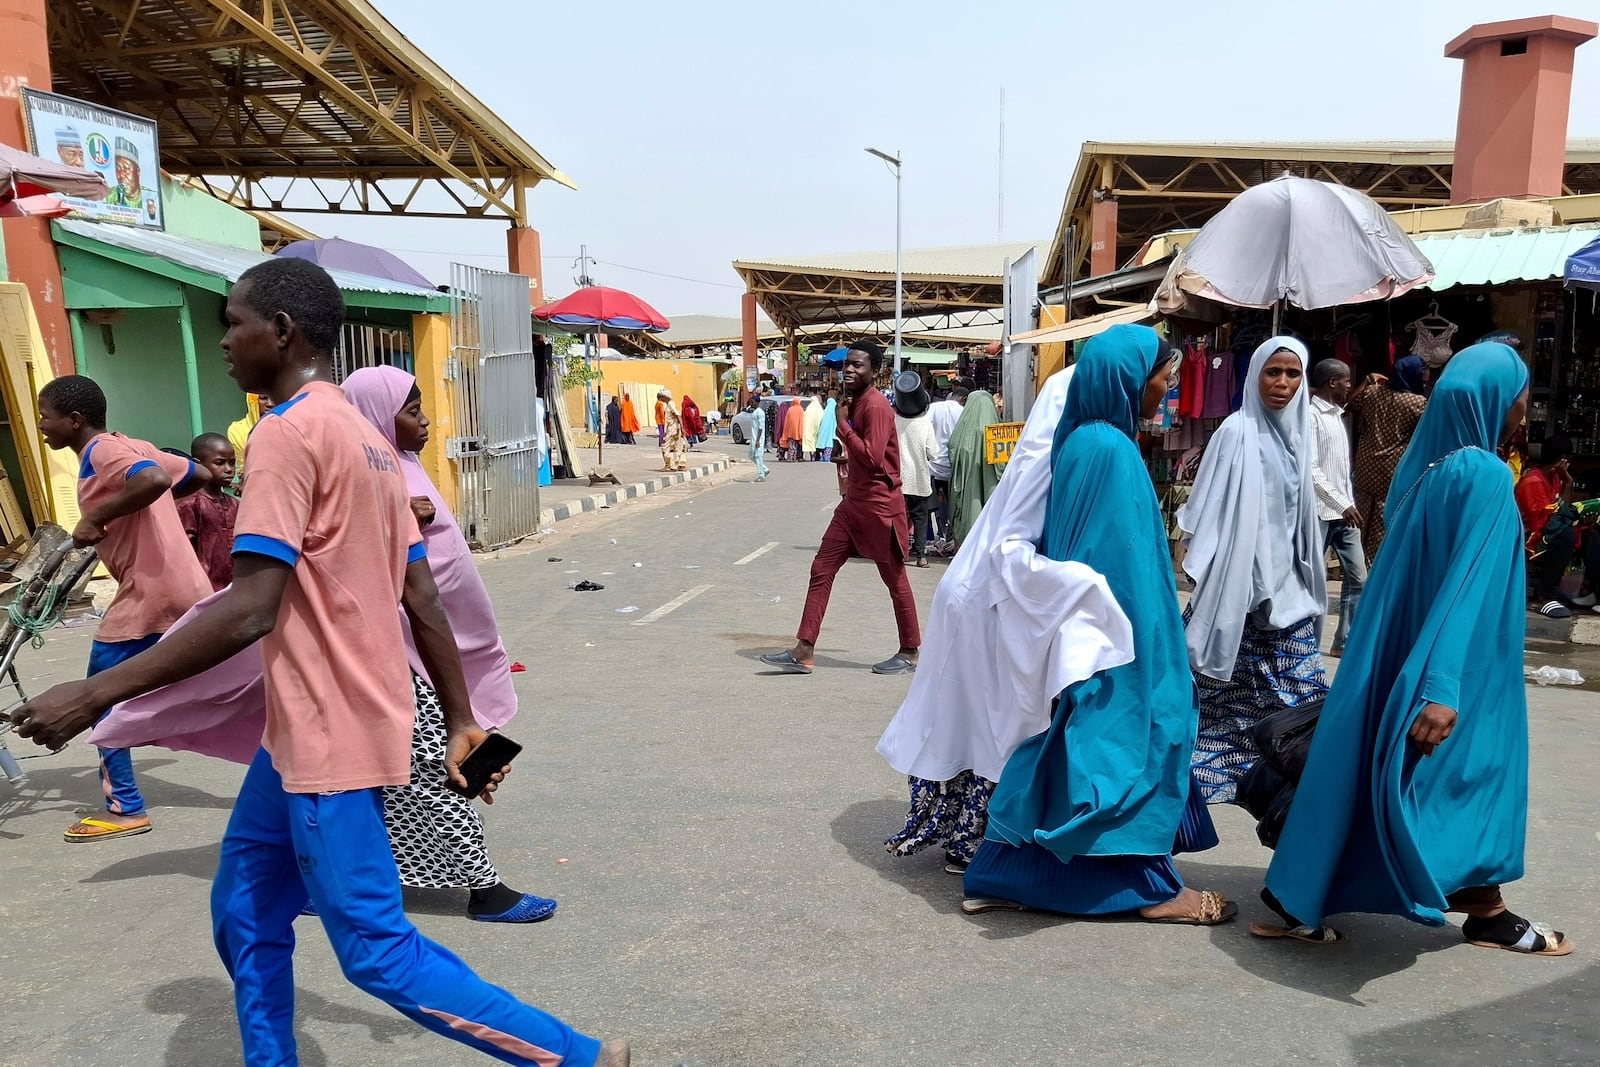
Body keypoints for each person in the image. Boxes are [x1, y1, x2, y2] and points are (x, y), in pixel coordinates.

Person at [11, 258, 626, 1065]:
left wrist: (92, 693)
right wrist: (465, 719)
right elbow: (424, 598)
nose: (223, 339)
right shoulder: (368, 442)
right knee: (244, 910)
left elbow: (252, 603)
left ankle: (579, 1057)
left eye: (233, 321)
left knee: (376, 951)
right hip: (303, 729)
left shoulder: (290, 432)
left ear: (283, 330)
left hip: (329, 738)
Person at [1261, 343, 1572, 957]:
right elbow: (1465, 589)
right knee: (1475, 780)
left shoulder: (1428, 467)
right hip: (1463, 668)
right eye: (1521, 395)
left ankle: (1299, 898)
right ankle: (1487, 911)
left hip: (1408, 654)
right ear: (1494, 400)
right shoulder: (1483, 473)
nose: (1525, 409)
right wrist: (1443, 688)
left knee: (1383, 778)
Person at [957, 325, 1232, 926]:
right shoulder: (1110, 449)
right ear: (1130, 379)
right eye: (1163, 375)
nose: (1167, 387)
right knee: (1127, 747)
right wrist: (1152, 649)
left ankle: (1008, 874)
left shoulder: (1080, 439)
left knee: (1081, 751)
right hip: (1122, 638)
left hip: (1098, 634)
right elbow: (1118, 565)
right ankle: (1147, 889)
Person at [36, 374, 213, 842]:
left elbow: (154, 479)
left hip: (147, 597)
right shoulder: (132, 445)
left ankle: (125, 808)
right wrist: (141, 510)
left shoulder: (102, 452)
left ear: (74, 421)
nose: (41, 427)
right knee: (223, 691)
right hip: (188, 590)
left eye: (45, 417)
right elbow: (196, 474)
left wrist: (98, 515)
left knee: (98, 698)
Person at [1179, 337, 1328, 805]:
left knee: (1304, 707)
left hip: (1290, 601)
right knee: (1205, 707)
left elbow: (1300, 522)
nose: (1282, 384)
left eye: (1292, 374)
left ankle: (1294, 810)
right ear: (1255, 375)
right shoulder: (1234, 432)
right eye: (1273, 372)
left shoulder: (1303, 437)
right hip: (1236, 601)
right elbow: (1205, 513)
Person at [761, 342, 920, 676]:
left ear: (875, 371)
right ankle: (803, 650)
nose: (849, 370)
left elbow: (874, 458)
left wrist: (843, 426)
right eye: (847, 364)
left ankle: (909, 650)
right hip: (853, 505)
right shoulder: (854, 402)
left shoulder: (874, 405)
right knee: (822, 568)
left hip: (879, 507)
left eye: (857, 365)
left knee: (894, 579)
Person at [1308, 359, 1367, 656]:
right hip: (1321, 511)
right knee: (1310, 579)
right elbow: (1311, 468)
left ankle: (1344, 642)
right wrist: (1341, 503)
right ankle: (1305, 640)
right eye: (1345, 381)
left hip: (1344, 512)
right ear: (1332, 382)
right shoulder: (1310, 416)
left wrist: (1347, 503)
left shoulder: (1337, 415)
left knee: (1358, 577)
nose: (1348, 386)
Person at [1349, 355, 1428, 563]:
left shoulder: (1373, 392)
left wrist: (1367, 379)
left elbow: (1350, 404)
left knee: (1361, 516)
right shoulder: (1417, 403)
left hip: (1365, 465)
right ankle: (1375, 566)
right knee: (1384, 522)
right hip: (1392, 469)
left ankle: (1356, 562)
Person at [1516, 434, 1600, 618]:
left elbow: (1560, 514)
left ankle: (1595, 592)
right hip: (1530, 537)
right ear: (1563, 458)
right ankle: (1545, 596)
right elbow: (1550, 521)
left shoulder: (1554, 478)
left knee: (1590, 534)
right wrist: (1568, 484)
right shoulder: (1533, 482)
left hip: (1547, 529)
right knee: (1566, 534)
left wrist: (1582, 519)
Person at [177, 432, 240, 592]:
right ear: (199, 464)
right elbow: (183, 552)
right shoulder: (190, 504)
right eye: (220, 463)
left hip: (234, 586)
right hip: (203, 588)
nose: (228, 469)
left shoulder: (235, 504)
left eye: (232, 463)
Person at [892, 372, 938, 568]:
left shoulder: (894, 421)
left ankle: (899, 553)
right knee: (920, 518)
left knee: (898, 517)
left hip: (898, 478)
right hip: (919, 479)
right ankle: (921, 556)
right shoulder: (925, 423)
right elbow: (933, 453)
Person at [946, 389, 1002, 548]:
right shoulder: (998, 431)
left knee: (968, 514)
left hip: (967, 490)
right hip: (992, 491)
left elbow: (952, 450)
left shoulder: (962, 431)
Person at [927, 381, 968, 550]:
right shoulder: (964, 412)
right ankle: (952, 537)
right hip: (953, 469)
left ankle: (937, 535)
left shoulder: (934, 408)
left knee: (933, 506)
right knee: (954, 506)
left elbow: (925, 429)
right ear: (964, 399)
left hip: (933, 466)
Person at [659, 388, 687, 472]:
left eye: (662, 397)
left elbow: (678, 415)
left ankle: (668, 465)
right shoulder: (669, 405)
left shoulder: (671, 404)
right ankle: (679, 464)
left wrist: (682, 427)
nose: (661, 399)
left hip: (673, 429)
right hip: (673, 428)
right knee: (677, 446)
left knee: (666, 446)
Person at [745, 393, 769, 482]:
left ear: (757, 402)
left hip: (759, 438)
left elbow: (761, 427)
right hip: (754, 438)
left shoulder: (760, 413)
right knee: (751, 455)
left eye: (752, 402)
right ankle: (765, 469)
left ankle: (761, 475)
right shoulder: (754, 412)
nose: (751, 404)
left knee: (758, 456)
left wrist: (758, 440)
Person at [780, 390, 806, 462]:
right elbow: (802, 421)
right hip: (798, 430)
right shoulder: (800, 409)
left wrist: (786, 431)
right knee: (798, 445)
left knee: (792, 445)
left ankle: (790, 457)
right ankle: (797, 457)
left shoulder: (790, 409)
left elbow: (787, 421)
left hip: (790, 431)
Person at [816, 390, 839, 462]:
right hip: (831, 428)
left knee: (825, 441)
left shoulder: (827, 408)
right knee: (829, 442)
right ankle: (827, 457)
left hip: (824, 428)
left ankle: (823, 457)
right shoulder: (834, 407)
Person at [803, 389, 824, 458]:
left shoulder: (809, 407)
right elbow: (822, 417)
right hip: (817, 427)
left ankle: (811, 454)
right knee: (816, 440)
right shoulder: (819, 408)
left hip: (809, 428)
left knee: (810, 439)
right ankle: (816, 454)